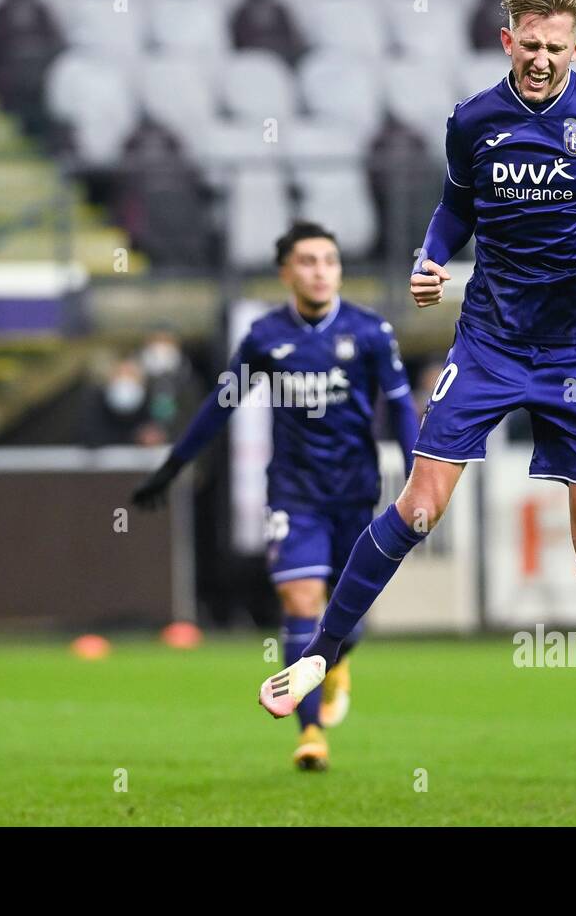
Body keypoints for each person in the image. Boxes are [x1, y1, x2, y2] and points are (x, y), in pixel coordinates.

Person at [256, 0, 576, 814]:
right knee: (419, 505)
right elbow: (456, 211)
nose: (543, 60)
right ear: (507, 39)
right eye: (531, 44)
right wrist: (428, 257)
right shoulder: (473, 121)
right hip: (489, 341)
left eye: (558, 47)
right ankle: (321, 655)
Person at [132, 221, 420, 770]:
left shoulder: (370, 333)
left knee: (347, 619)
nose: (320, 271)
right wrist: (171, 468)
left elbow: (402, 406)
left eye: (330, 261)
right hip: (293, 492)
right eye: (308, 261)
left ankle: (334, 662)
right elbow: (221, 406)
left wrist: (416, 476)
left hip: (354, 492)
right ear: (286, 271)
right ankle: (310, 733)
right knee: (299, 603)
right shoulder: (265, 338)